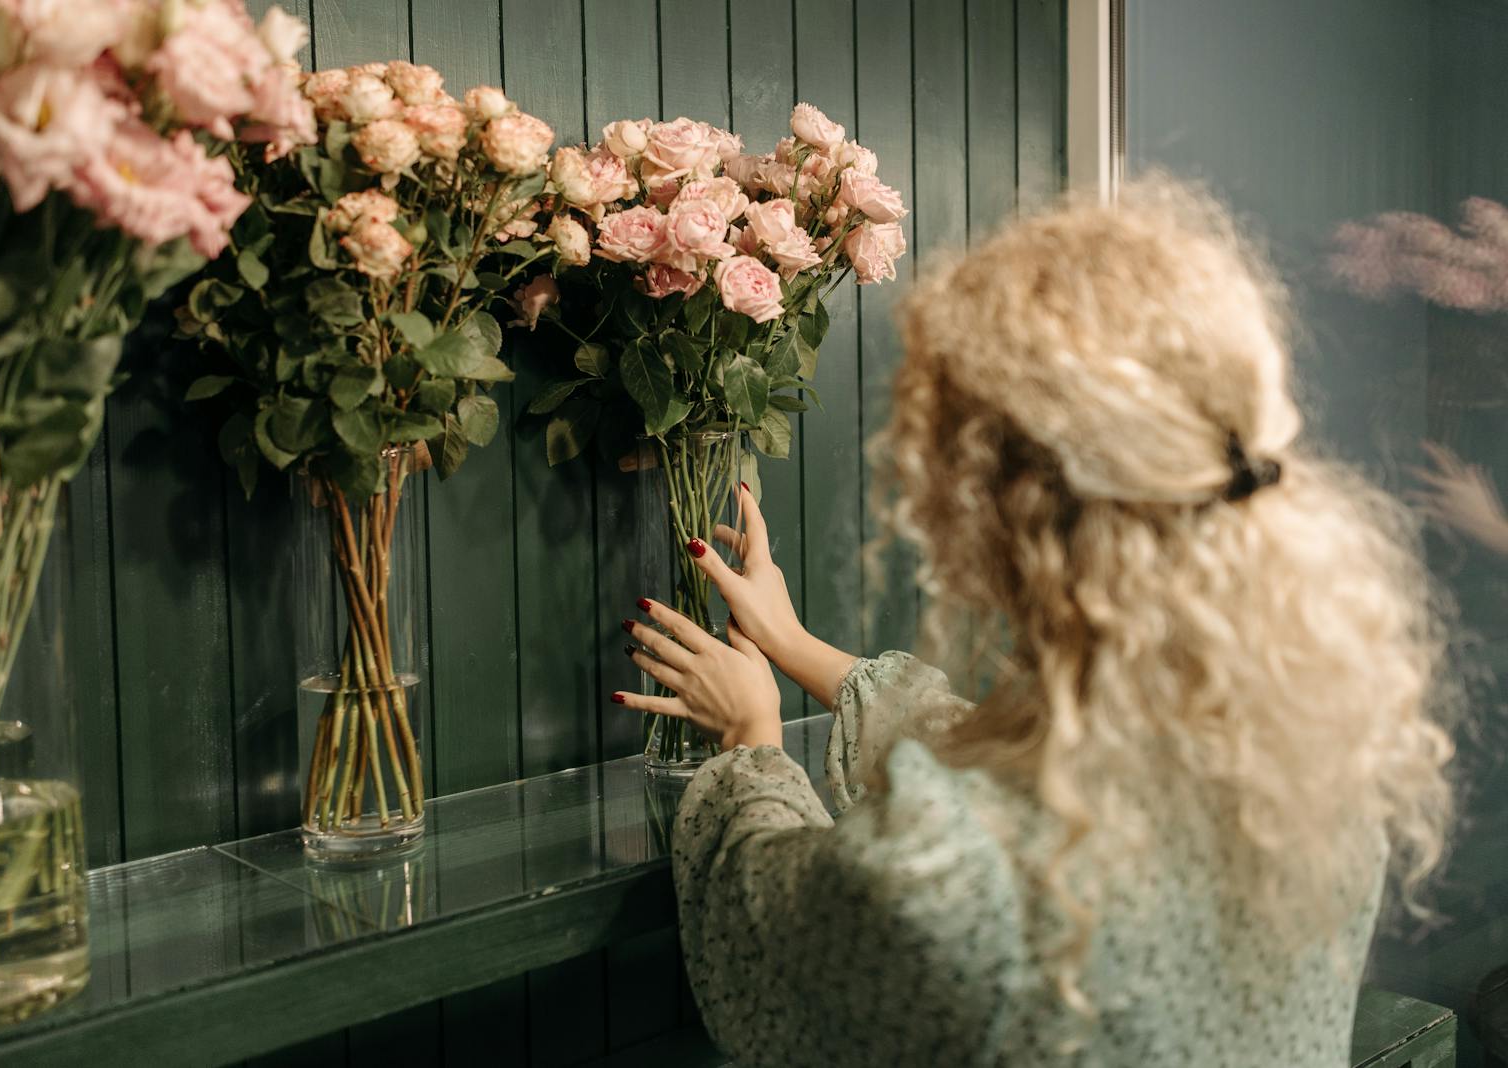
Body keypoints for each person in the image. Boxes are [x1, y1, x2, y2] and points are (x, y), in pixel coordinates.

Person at [610, 182, 1458, 1067]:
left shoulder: (950, 874)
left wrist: (751, 736)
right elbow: (1025, 768)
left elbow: (767, 938)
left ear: (989, 513)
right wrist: (795, 650)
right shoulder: (1305, 770)